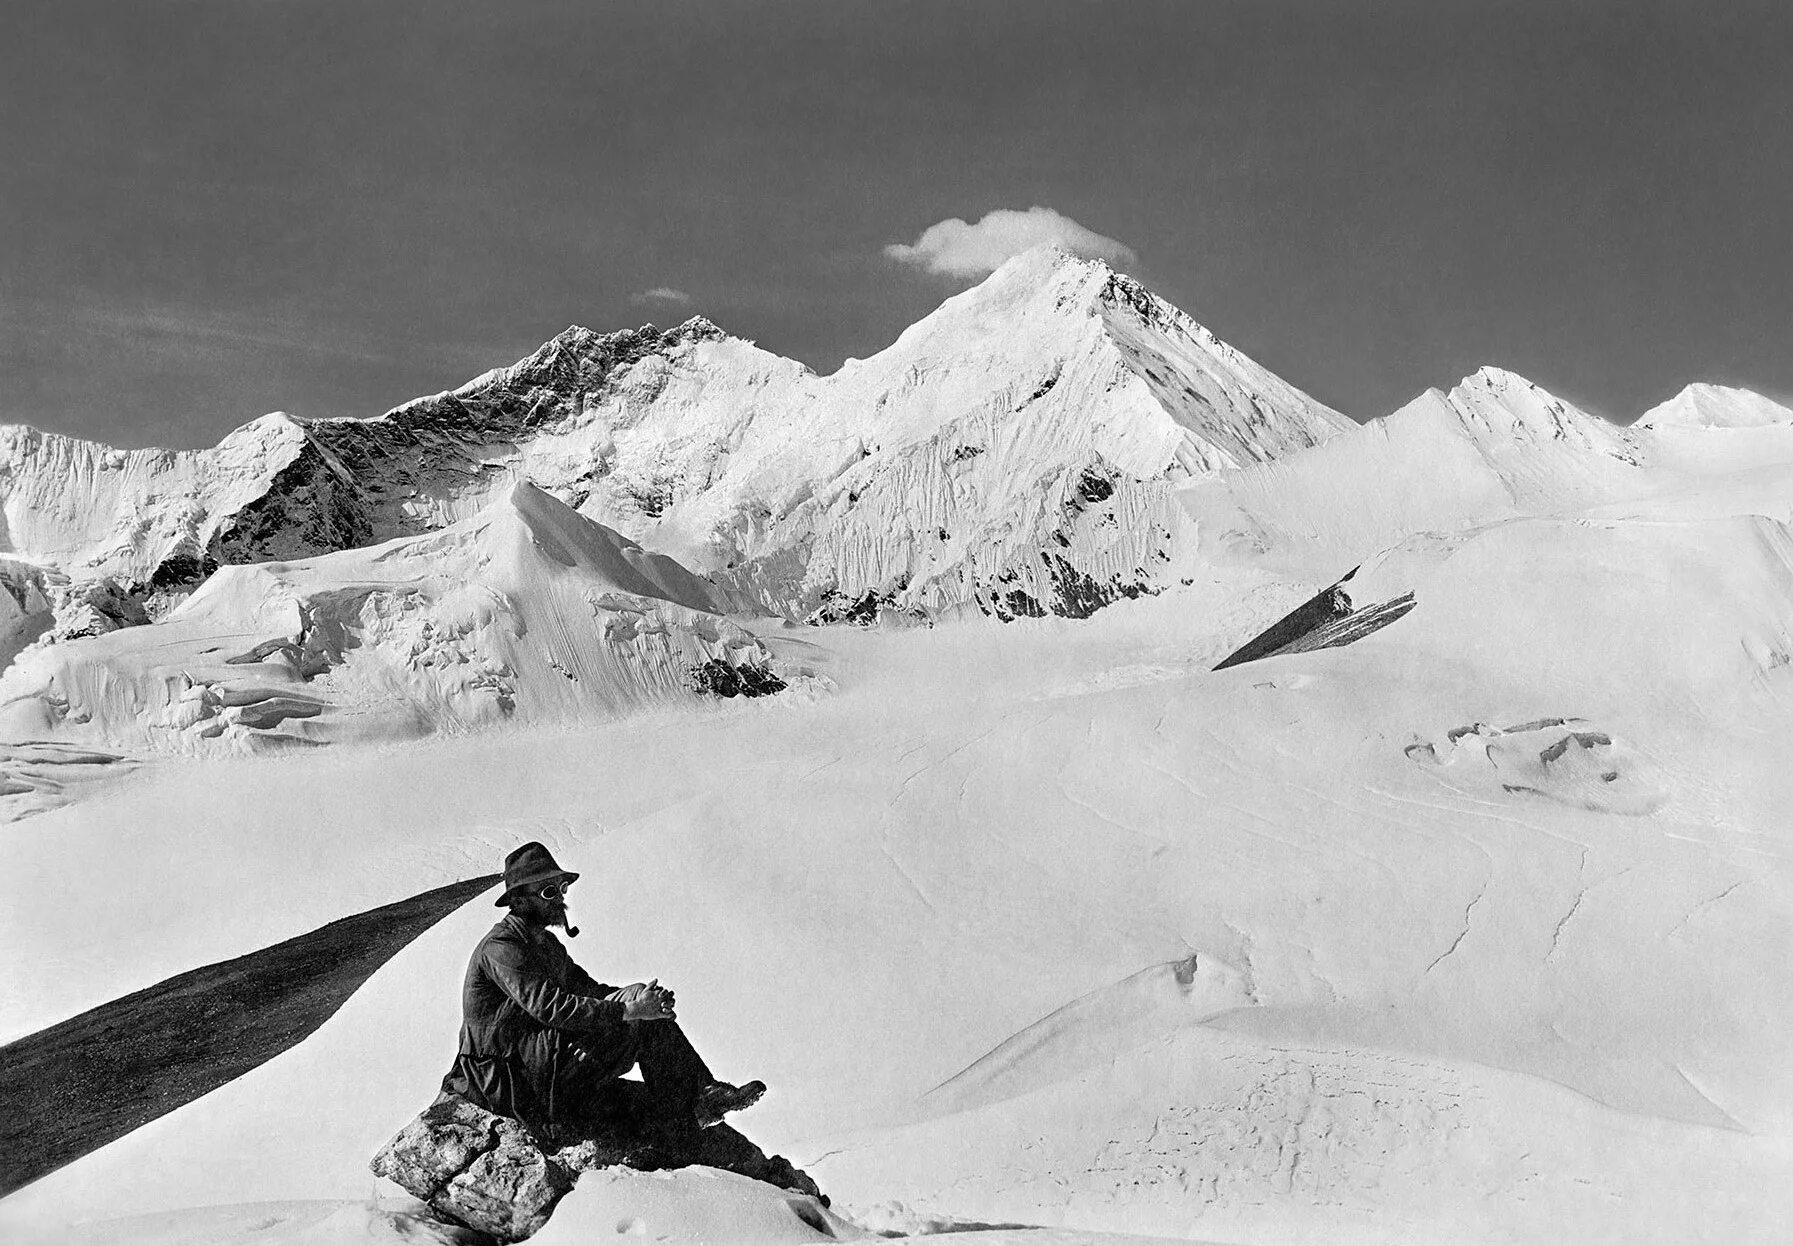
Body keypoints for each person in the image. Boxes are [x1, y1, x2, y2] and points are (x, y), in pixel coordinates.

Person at [440, 841, 765, 1144]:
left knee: (640, 1007)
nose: (560, 898)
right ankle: (691, 1110)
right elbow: (552, 1009)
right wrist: (631, 1011)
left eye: (562, 889)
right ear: (520, 900)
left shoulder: (545, 944)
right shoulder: (503, 948)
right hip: (506, 1077)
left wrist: (637, 998)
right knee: (637, 1020)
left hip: (537, 1058)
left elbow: (589, 990)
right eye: (549, 891)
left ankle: (700, 1097)